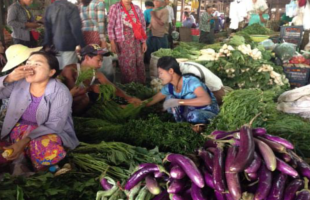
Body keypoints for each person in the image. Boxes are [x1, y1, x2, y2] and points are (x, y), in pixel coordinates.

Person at [0, 49, 79, 174]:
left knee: (41, 145)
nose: (30, 67)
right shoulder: (19, 84)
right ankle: (25, 163)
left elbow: (54, 124)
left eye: (37, 64)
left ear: (51, 72)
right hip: (18, 133)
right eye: (28, 62)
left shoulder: (60, 91)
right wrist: (8, 78)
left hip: (47, 133)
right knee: (6, 151)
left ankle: (51, 168)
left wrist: (24, 141)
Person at [61, 44, 141, 115]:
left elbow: (112, 87)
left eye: (101, 61)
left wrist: (128, 98)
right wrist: (91, 88)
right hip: (63, 105)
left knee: (103, 98)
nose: (100, 64)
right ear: (87, 58)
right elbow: (72, 94)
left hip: (79, 103)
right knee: (85, 99)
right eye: (98, 60)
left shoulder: (96, 73)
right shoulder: (70, 69)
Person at [146, 56, 219, 124]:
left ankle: (199, 126)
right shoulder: (169, 87)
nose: (159, 76)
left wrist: (179, 102)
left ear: (171, 71)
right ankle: (182, 123)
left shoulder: (190, 81)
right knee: (169, 99)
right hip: (190, 111)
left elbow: (206, 100)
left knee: (194, 116)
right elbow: (153, 99)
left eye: (161, 73)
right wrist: (140, 104)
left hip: (207, 110)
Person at [108, 0, 147, 84]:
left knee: (139, 62)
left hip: (137, 41)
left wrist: (144, 42)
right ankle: (129, 87)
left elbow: (143, 25)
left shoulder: (137, 8)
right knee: (127, 64)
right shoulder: (115, 8)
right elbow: (110, 26)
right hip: (123, 42)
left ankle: (140, 85)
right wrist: (112, 42)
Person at [44, 0, 86, 70]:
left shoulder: (50, 8)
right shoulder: (71, 7)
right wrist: (83, 46)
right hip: (68, 45)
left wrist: (47, 45)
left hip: (55, 47)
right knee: (69, 72)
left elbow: (48, 29)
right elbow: (76, 29)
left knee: (59, 72)